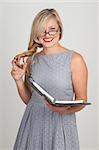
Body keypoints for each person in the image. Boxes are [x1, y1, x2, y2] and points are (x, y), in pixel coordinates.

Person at [11, 8, 88, 150]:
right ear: (36, 34)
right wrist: (18, 80)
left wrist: (65, 111)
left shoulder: (75, 60)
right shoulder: (32, 60)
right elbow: (30, 100)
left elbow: (82, 101)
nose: (47, 35)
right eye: (42, 30)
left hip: (60, 125)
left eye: (52, 29)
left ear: (60, 29)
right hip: (33, 123)